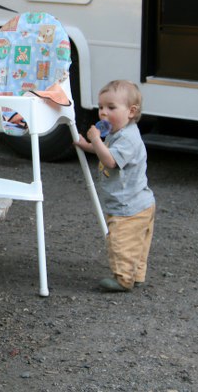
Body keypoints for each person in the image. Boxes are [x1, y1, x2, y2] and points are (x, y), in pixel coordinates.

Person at [75, 80, 155, 293]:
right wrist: (88, 145)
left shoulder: (129, 138)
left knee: (121, 243)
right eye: (101, 107)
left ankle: (122, 279)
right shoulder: (118, 133)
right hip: (136, 202)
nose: (103, 113)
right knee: (137, 244)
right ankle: (135, 275)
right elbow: (106, 151)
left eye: (111, 108)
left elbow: (110, 160)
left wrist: (96, 140)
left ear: (131, 111)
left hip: (129, 207)